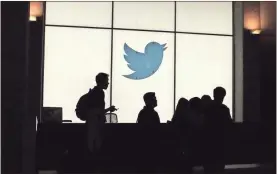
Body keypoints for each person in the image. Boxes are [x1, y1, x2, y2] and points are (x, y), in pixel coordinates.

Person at [86, 73, 117, 154]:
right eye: (107, 81)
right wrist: (109, 109)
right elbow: (97, 111)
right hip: (95, 123)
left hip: (93, 122)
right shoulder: (99, 93)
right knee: (96, 146)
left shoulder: (94, 92)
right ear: (102, 81)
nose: (108, 83)